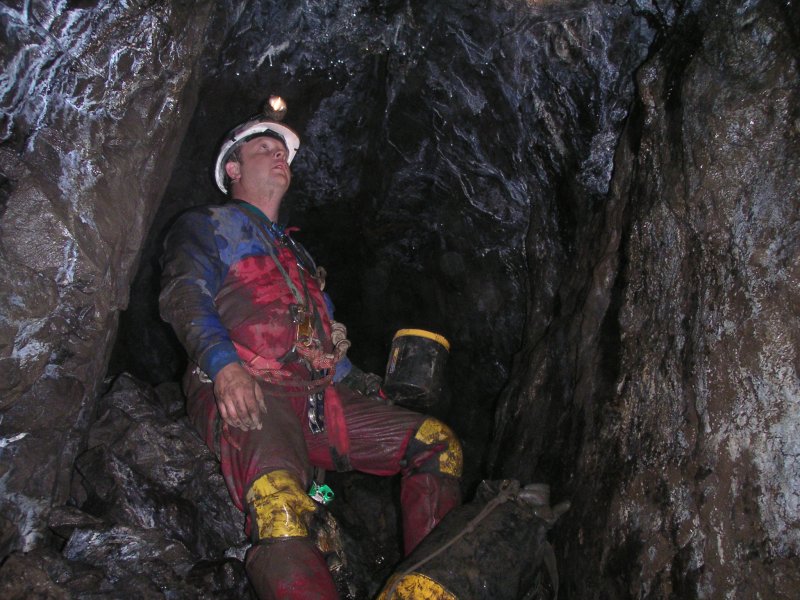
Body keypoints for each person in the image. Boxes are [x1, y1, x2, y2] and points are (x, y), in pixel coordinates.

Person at [159, 102, 462, 599]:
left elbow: (322, 343)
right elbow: (184, 294)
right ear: (233, 169)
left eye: (283, 151)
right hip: (251, 390)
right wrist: (224, 367)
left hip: (318, 400)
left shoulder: (298, 257)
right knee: (280, 507)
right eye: (265, 148)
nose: (279, 156)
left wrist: (362, 384)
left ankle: (424, 591)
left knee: (437, 443)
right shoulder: (208, 224)